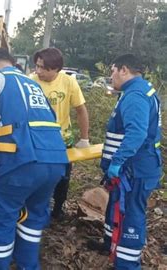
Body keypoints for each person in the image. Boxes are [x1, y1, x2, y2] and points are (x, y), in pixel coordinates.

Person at [0, 48, 68, 269]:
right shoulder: (33, 84)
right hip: (55, 161)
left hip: (18, 163)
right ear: (14, 63)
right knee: (32, 221)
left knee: (0, 222)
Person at [88, 54, 162, 269]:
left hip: (134, 169)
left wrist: (118, 161)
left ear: (124, 70)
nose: (111, 75)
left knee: (130, 213)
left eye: (113, 70)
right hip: (134, 167)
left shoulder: (135, 95)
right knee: (116, 206)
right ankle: (111, 244)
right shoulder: (137, 90)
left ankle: (127, 263)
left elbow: (136, 133)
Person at [31, 47, 90, 219]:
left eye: (43, 68)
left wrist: (84, 138)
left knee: (63, 177)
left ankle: (58, 208)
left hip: (62, 139)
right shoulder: (31, 82)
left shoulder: (68, 82)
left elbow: (81, 109)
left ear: (56, 69)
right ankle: (36, 209)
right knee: (39, 176)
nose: (38, 71)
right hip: (39, 139)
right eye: (37, 66)